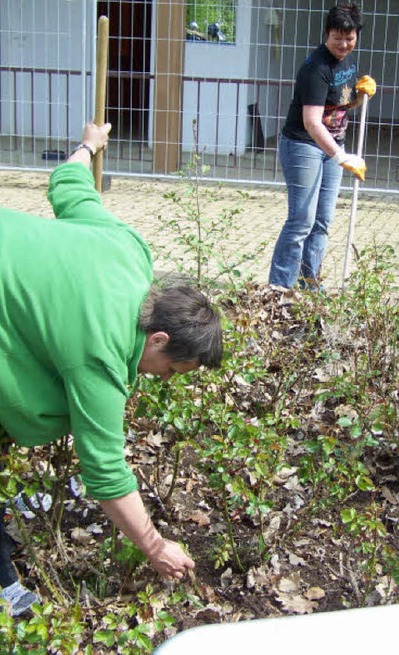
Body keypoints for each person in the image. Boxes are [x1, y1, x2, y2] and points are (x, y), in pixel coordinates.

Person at [0, 122, 223, 617]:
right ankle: (5, 588)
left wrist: (86, 145)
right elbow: (104, 469)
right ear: (159, 338)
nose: (159, 379)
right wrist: (155, 546)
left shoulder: (129, 250)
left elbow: (70, 187)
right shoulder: (101, 355)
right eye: (169, 371)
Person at [268, 3, 376, 289]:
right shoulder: (315, 68)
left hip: (331, 146)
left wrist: (359, 95)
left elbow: (338, 102)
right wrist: (342, 157)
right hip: (304, 145)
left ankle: (309, 284)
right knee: (301, 220)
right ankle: (280, 288)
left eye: (349, 38)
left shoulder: (347, 62)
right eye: (337, 37)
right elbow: (312, 122)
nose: (343, 44)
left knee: (322, 221)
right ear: (326, 33)